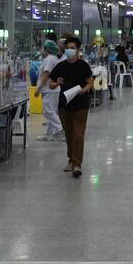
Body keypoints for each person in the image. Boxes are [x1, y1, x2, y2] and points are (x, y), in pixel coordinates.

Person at [49, 35, 94, 178]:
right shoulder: (60, 66)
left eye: (72, 48)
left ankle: (77, 165)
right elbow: (51, 84)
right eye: (67, 48)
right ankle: (71, 159)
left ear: (78, 49)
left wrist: (85, 89)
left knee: (78, 136)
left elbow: (90, 82)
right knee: (69, 136)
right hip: (64, 105)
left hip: (81, 104)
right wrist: (57, 83)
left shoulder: (83, 66)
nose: (69, 50)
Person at [35, 40, 64, 141]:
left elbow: (47, 74)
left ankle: (61, 130)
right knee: (52, 112)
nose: (42, 50)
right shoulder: (53, 58)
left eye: (44, 48)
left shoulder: (49, 59)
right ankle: (48, 134)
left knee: (48, 112)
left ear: (47, 49)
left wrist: (38, 88)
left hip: (49, 90)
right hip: (52, 90)